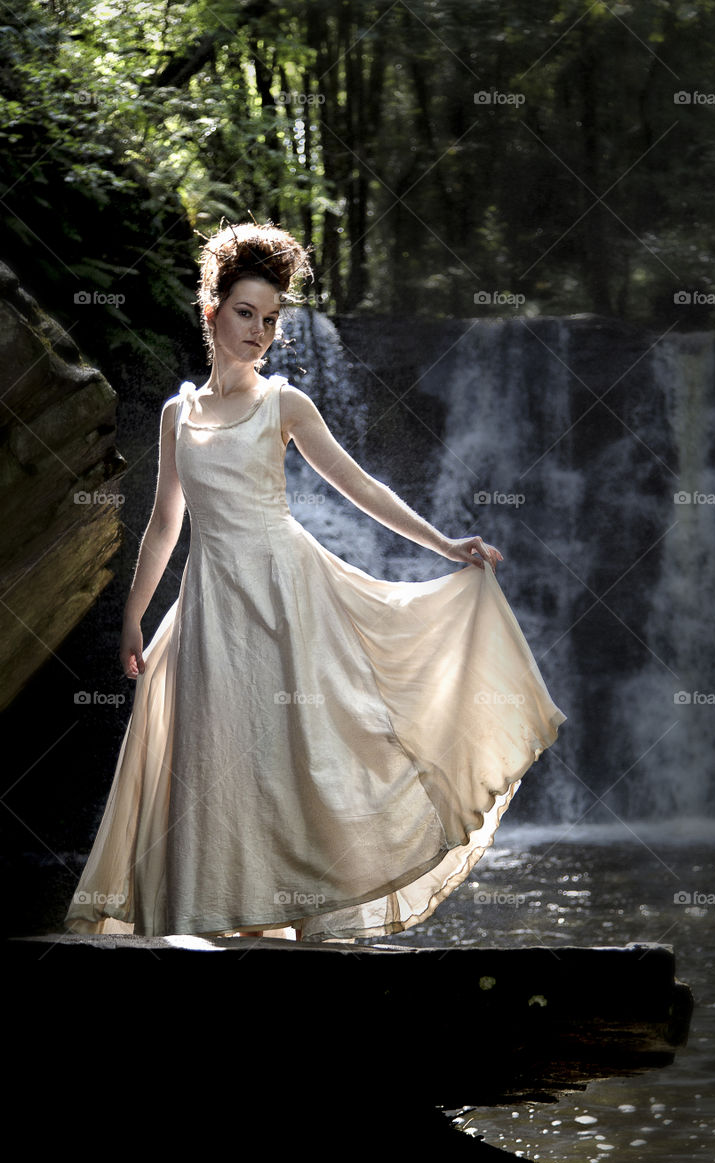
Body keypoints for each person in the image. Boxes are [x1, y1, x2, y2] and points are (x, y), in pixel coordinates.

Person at [64, 219, 566, 942]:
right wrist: (134, 616)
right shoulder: (178, 414)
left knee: (287, 753)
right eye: (245, 314)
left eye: (270, 320)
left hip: (286, 596)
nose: (258, 332)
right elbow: (164, 525)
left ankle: (297, 922)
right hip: (208, 609)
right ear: (211, 312)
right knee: (212, 759)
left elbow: (360, 487)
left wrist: (444, 543)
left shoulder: (284, 404)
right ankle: (220, 920)